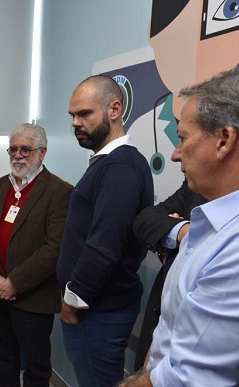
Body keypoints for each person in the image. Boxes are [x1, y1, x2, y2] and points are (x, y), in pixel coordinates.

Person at [120, 68, 239, 386]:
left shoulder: (236, 246)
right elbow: (169, 331)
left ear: (224, 141)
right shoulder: (205, 213)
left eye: (184, 138)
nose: (175, 154)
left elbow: (187, 377)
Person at [56, 75, 154, 386]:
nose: (75, 122)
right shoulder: (109, 164)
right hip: (97, 310)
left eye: (85, 114)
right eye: (72, 115)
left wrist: (73, 301)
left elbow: (104, 246)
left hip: (97, 312)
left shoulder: (119, 167)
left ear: (114, 110)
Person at [0, 123, 72, 387]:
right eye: (13, 149)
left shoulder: (60, 191)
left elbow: (55, 247)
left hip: (33, 298)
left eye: (25, 149)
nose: (18, 155)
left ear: (42, 153)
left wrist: (14, 282)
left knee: (36, 368)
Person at [132, 172, 206, 369]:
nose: (176, 153)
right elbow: (145, 220)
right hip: (159, 334)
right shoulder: (195, 186)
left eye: (183, 140)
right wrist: (183, 230)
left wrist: (172, 239)